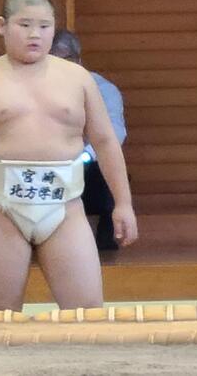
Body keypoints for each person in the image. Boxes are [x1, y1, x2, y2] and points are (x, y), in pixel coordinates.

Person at [0, 0, 138, 312]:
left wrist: (123, 203)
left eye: (44, 26)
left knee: (87, 311)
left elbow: (105, 141)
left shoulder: (78, 79)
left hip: (65, 208)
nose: (34, 34)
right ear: (2, 26)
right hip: (0, 211)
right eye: (24, 25)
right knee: (0, 316)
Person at [50, 29, 127, 250]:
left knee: (106, 165)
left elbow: (115, 133)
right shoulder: (31, 88)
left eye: (65, 61)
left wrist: (84, 155)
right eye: (51, 61)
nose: (58, 69)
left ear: (78, 60)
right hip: (46, 165)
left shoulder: (103, 89)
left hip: (86, 165)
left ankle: (106, 240)